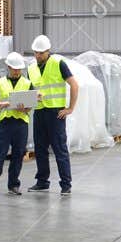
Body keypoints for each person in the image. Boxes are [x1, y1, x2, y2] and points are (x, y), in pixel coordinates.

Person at [27, 34, 80, 194]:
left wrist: (70, 108)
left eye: (41, 53)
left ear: (48, 51)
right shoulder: (30, 68)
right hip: (39, 112)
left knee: (59, 149)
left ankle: (66, 184)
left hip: (56, 114)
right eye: (35, 52)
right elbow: (31, 90)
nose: (38, 55)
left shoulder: (58, 63)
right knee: (40, 149)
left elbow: (74, 85)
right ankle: (42, 182)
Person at [0, 52, 35, 195]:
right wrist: (5, 103)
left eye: (19, 69)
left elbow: (30, 105)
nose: (17, 71)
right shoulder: (0, 82)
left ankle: (13, 184)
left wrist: (25, 107)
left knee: (18, 154)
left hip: (21, 123)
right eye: (14, 68)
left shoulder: (27, 83)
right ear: (8, 67)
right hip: (5, 123)